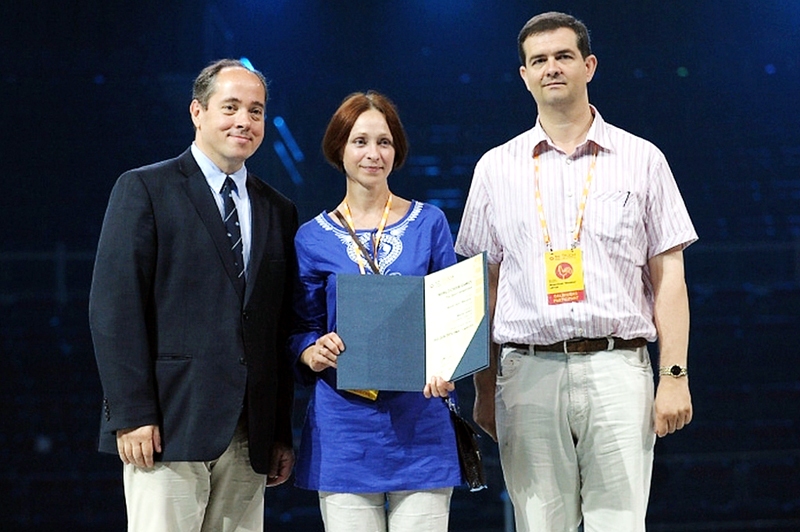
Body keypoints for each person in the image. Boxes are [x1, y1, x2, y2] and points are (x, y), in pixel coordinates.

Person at [455, 12, 697, 532]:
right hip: (526, 371)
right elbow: (485, 287)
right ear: (524, 75)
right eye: (538, 60)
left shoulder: (642, 158)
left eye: (563, 56)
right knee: (539, 525)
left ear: (588, 65)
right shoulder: (494, 168)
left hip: (619, 365)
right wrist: (484, 388)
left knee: (620, 524)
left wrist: (674, 375)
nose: (551, 68)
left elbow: (669, 276)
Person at [89, 58, 298, 532]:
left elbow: (276, 327)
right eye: (230, 107)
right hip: (166, 425)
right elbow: (114, 309)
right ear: (197, 112)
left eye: (256, 111)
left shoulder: (278, 209)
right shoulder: (145, 188)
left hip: (249, 436)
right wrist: (131, 413)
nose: (244, 121)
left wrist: (279, 432)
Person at [288, 91, 461, 532]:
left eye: (384, 142)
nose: (373, 153)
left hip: (420, 422)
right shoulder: (311, 237)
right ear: (339, 149)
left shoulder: (430, 223)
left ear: (396, 150)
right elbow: (301, 327)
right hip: (344, 430)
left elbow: (456, 315)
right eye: (360, 141)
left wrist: (449, 366)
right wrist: (311, 351)